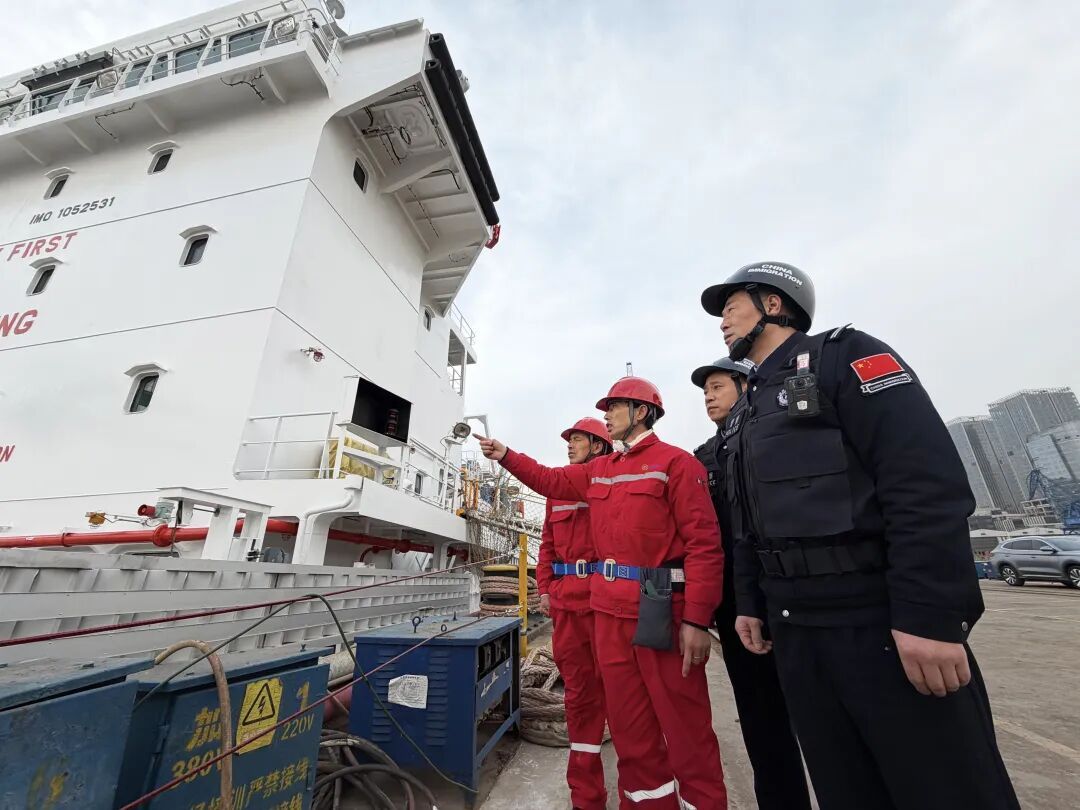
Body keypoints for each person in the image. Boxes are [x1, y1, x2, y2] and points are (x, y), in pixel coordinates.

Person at [700, 261, 1020, 810]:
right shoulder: (746, 411)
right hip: (796, 635)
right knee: (846, 787)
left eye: (731, 307)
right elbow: (747, 522)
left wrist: (929, 617)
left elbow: (923, 483)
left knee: (942, 787)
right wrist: (749, 603)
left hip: (877, 626)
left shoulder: (844, 357)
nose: (721, 323)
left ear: (773, 304)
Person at [478, 377, 727, 810]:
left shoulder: (677, 465)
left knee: (686, 730)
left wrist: (697, 620)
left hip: (660, 606)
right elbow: (549, 480)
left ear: (642, 412)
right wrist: (505, 455)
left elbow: (705, 546)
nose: (608, 413)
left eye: (615, 406)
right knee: (632, 734)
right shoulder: (599, 471)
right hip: (607, 612)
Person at [691, 357, 812, 810]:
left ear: (747, 385)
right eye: (705, 390)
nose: (708, 395)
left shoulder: (779, 437)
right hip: (735, 605)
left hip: (789, 595)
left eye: (718, 385)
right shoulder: (703, 457)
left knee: (820, 721)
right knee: (762, 720)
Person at [536, 417, 613, 810]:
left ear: (598, 446)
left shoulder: (610, 484)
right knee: (579, 701)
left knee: (621, 697)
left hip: (607, 604)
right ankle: (586, 798)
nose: (569, 445)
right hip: (568, 606)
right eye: (568, 440)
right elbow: (547, 544)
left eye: (577, 440)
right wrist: (545, 588)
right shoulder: (557, 493)